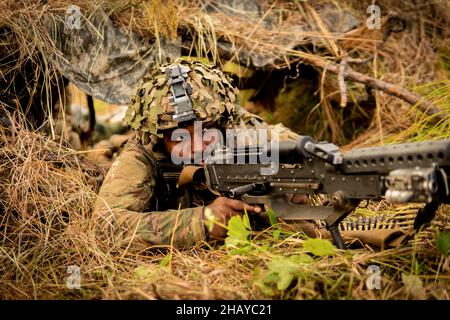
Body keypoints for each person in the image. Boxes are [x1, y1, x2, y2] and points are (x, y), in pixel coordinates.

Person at [93, 58, 302, 250]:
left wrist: (296, 187)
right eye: (179, 137)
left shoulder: (240, 131)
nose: (197, 147)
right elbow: (105, 226)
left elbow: (306, 152)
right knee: (101, 157)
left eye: (206, 130)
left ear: (220, 123)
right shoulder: (143, 153)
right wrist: (202, 222)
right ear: (158, 136)